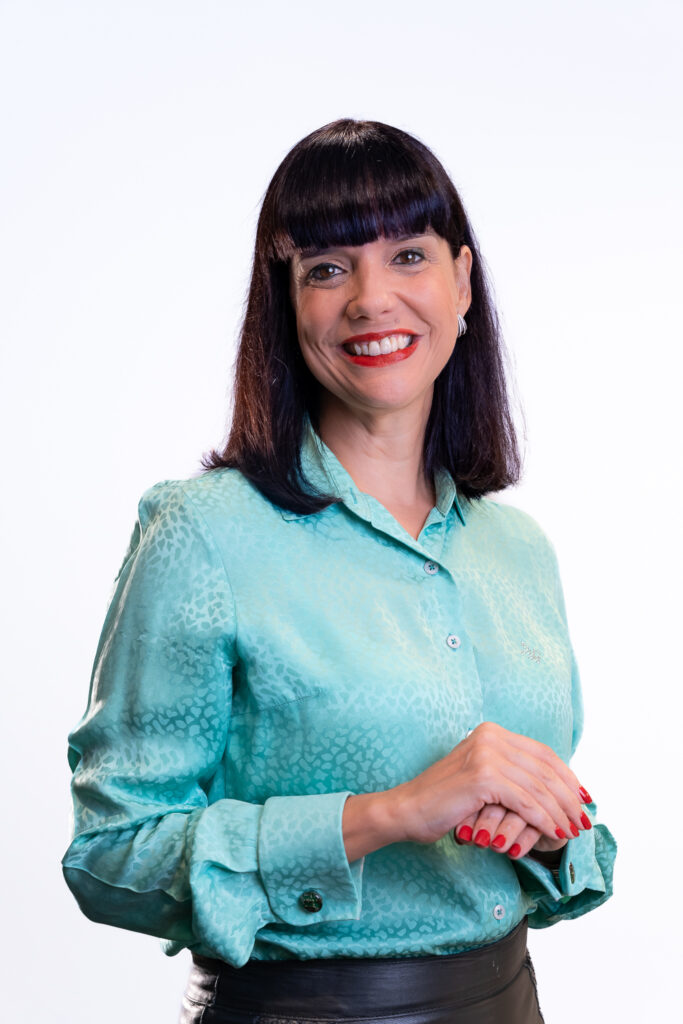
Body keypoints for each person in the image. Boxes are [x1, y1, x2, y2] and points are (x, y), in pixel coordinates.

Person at [63, 118, 617, 1023]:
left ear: (461, 282)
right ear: (287, 303)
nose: (370, 299)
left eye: (408, 256)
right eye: (326, 268)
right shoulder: (203, 535)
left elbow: (563, 829)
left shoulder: (517, 550)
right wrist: (391, 812)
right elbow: (110, 856)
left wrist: (549, 829)